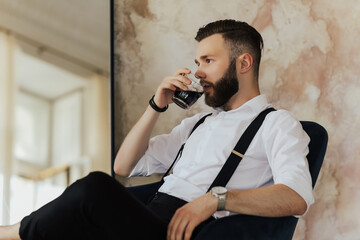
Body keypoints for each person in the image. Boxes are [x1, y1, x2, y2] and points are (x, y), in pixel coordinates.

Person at [0, 19, 313, 240]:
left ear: (243, 64)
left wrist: (215, 200)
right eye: (196, 61)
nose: (198, 72)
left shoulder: (277, 124)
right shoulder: (197, 124)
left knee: (94, 187)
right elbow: (124, 166)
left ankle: (12, 233)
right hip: (147, 220)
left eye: (208, 60)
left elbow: (296, 196)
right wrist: (156, 105)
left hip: (184, 232)